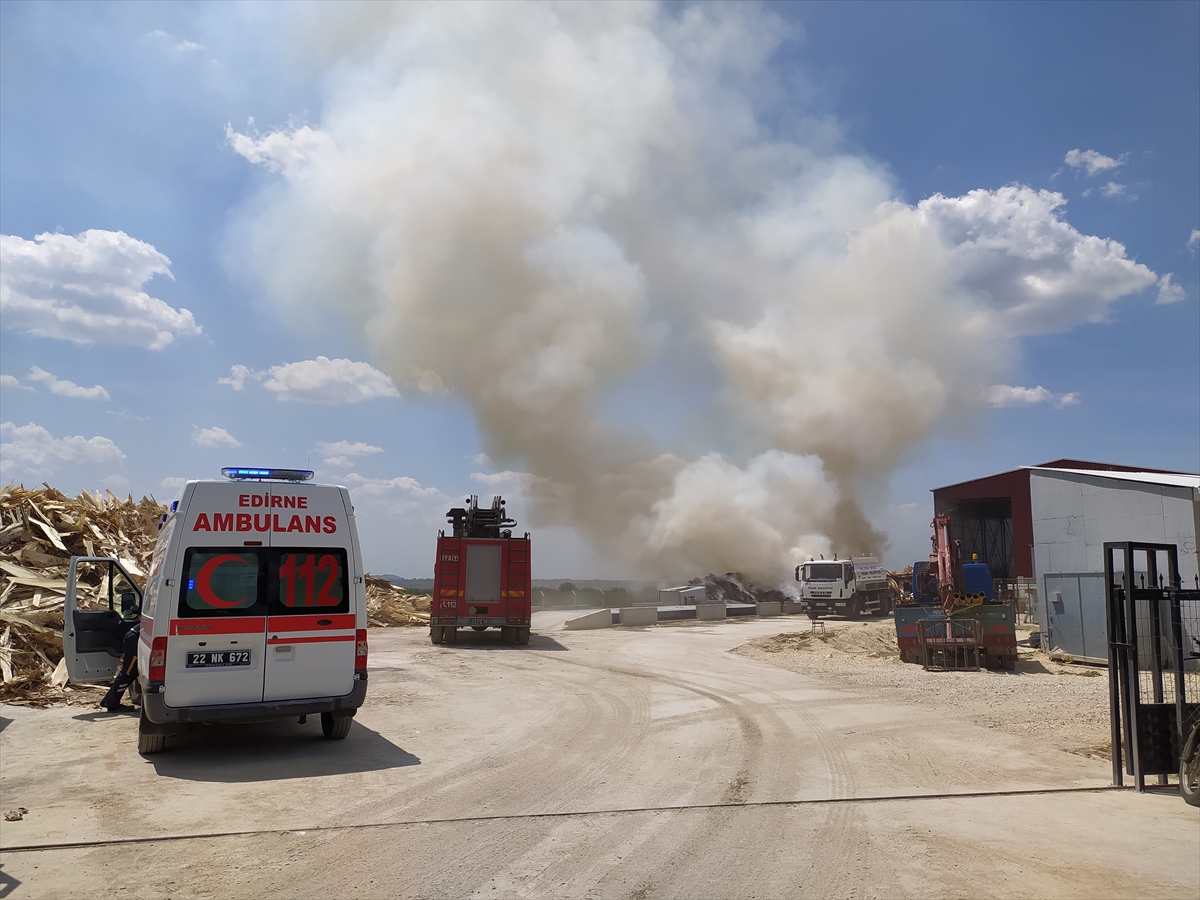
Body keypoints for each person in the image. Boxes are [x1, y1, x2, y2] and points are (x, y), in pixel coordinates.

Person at [100, 619, 140, 712]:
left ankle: (110, 700)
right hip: (134, 639)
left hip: (133, 637)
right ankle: (111, 702)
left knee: (132, 672)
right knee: (128, 672)